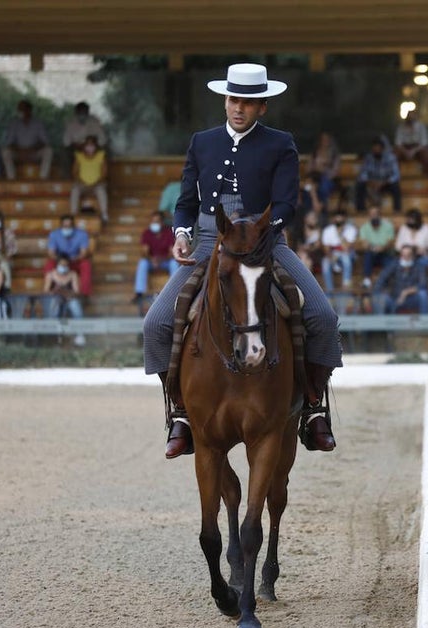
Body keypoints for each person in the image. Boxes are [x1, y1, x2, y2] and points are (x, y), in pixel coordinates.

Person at [141, 62, 342, 458]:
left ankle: (313, 408)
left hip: (266, 243)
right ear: (225, 100)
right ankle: (180, 412)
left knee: (322, 316)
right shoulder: (202, 142)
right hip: (207, 244)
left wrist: (260, 234)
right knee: (156, 323)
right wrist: (181, 236)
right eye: (233, 99)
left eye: (248, 102)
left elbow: (287, 203)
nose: (238, 108)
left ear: (262, 106)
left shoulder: (281, 143)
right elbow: (186, 203)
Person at [133, 211, 178, 303]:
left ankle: (175, 291)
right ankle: (139, 293)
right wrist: (152, 259)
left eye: (157, 221)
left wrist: (160, 260)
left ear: (162, 222)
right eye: (152, 221)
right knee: (143, 263)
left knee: (174, 263)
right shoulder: (147, 233)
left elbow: (171, 252)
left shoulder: (168, 233)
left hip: (165, 261)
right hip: (151, 261)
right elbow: (145, 252)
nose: (154, 224)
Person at [1, 100, 52, 180]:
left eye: (21, 109)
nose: (19, 112)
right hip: (19, 153)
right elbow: (9, 143)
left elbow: (45, 142)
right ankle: (11, 179)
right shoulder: (14, 124)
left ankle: (43, 178)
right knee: (5, 152)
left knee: (48, 151)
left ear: (29, 110)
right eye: (19, 110)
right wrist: (20, 150)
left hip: (34, 152)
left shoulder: (38, 123)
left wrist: (33, 149)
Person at [371, 244, 428, 314]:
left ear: (413, 257)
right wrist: (383, 292)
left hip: (410, 300)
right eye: (403, 255)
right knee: (378, 296)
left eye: (408, 255)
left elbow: (423, 285)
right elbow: (381, 279)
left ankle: (425, 322)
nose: (405, 258)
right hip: (394, 298)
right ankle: (380, 324)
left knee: (423, 294)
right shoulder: (394, 264)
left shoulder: (419, 266)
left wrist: (406, 292)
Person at [44, 215, 92, 296]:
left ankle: (84, 294)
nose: (67, 228)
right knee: (49, 264)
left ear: (73, 225)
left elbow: (83, 253)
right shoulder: (54, 234)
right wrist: (60, 260)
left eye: (69, 226)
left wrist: (74, 259)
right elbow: (51, 253)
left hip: (75, 259)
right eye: (65, 226)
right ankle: (49, 292)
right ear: (61, 225)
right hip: (60, 260)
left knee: (86, 265)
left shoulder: (82, 234)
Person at [43, 256, 86, 345]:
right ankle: (55, 335)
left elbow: (76, 292)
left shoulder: (72, 274)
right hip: (55, 299)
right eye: (61, 265)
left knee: (75, 306)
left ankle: (80, 334)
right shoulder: (50, 275)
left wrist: (65, 292)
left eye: (66, 265)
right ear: (57, 265)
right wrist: (55, 291)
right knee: (54, 307)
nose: (63, 267)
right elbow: (46, 291)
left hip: (69, 298)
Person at [69, 136, 110, 226]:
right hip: (82, 184)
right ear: (84, 146)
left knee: (101, 191)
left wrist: (96, 183)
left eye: (92, 145)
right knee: (75, 190)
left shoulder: (101, 155)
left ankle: (104, 215)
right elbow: (74, 172)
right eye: (87, 145)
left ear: (95, 146)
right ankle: (73, 214)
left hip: (97, 184)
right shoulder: (79, 156)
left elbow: (104, 173)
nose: (90, 147)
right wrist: (81, 182)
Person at [355, 137, 402, 213]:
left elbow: (396, 175)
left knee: (396, 186)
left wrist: (384, 182)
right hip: (372, 183)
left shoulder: (390, 158)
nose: (376, 150)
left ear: (382, 149)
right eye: (374, 149)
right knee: (360, 184)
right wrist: (370, 182)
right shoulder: (368, 158)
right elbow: (363, 174)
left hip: (386, 183)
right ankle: (361, 210)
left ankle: (397, 210)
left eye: (378, 148)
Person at [319, 209, 357, 292]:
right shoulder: (328, 230)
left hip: (348, 254)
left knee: (345, 258)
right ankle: (330, 291)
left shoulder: (351, 229)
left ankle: (346, 286)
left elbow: (346, 248)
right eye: (337, 222)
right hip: (333, 254)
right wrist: (331, 257)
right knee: (325, 263)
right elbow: (326, 249)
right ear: (333, 220)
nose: (339, 224)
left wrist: (340, 234)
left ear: (345, 220)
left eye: (341, 222)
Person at [358, 205, 396, 287]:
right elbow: (364, 244)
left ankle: (387, 282)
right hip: (372, 253)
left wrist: (383, 247)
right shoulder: (364, 227)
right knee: (367, 254)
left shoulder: (388, 226)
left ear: (380, 215)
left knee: (390, 260)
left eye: (375, 213)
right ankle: (367, 280)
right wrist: (372, 247)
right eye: (371, 214)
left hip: (385, 252)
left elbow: (390, 242)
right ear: (369, 215)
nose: (373, 216)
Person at [308, 132, 342, 208]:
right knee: (308, 188)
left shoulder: (334, 154)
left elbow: (336, 171)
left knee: (323, 187)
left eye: (326, 140)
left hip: (329, 180)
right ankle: (312, 210)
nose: (324, 142)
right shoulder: (314, 153)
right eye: (322, 140)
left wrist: (324, 170)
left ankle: (322, 208)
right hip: (314, 178)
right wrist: (316, 168)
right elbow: (309, 168)